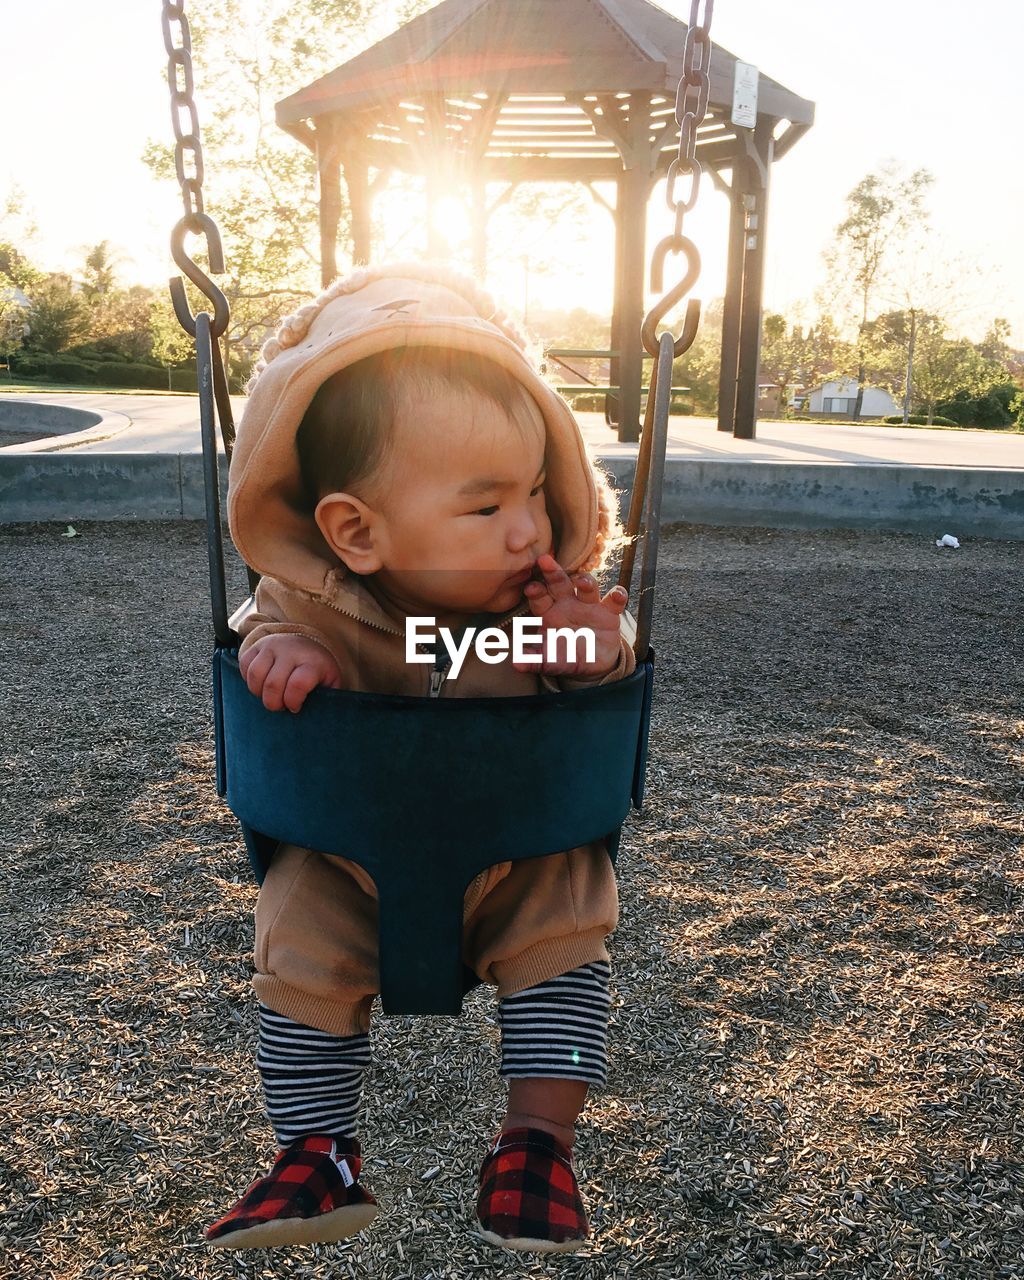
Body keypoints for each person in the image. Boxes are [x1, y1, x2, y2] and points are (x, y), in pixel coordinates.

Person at [204, 262, 635, 1254]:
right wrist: (282, 657)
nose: (528, 525)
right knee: (296, 946)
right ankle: (314, 1153)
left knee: (566, 942)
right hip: (349, 861)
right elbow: (261, 634)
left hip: (521, 852)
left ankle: (538, 1141)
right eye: (485, 507)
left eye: (533, 489)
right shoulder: (308, 600)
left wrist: (587, 641)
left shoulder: (541, 599)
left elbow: (594, 663)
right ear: (354, 530)